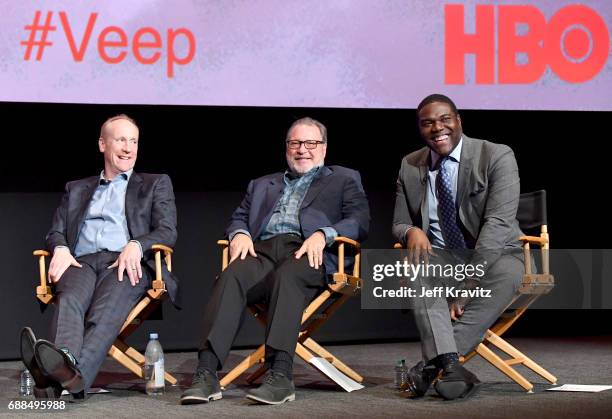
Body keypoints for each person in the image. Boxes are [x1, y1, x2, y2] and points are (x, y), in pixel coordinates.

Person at [180, 117, 370, 405]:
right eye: (295, 143)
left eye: (310, 143)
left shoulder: (343, 178)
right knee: (231, 276)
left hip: (308, 250)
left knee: (289, 275)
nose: (302, 149)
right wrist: (240, 234)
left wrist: (324, 234)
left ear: (324, 148)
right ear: (286, 148)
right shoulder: (260, 184)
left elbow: (360, 221)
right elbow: (238, 218)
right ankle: (206, 373)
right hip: (262, 251)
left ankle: (280, 375)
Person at [20, 114, 178, 400]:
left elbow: (167, 231)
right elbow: (55, 232)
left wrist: (137, 245)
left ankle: (58, 376)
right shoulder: (77, 188)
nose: (129, 148)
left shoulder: (155, 183)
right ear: (103, 144)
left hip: (124, 262)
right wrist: (61, 248)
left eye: (134, 141)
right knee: (70, 299)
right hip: (80, 261)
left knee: (105, 313)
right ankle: (68, 371)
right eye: (121, 140)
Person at [392, 94, 524, 400]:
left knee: (506, 274)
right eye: (427, 123)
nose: (437, 128)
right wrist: (411, 231)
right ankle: (451, 367)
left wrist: (468, 284)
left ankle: (429, 367)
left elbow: (496, 226)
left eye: (444, 119)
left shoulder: (495, 155)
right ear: (420, 129)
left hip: (496, 254)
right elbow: (399, 222)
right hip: (443, 256)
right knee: (416, 267)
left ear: (458, 120)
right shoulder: (410, 165)